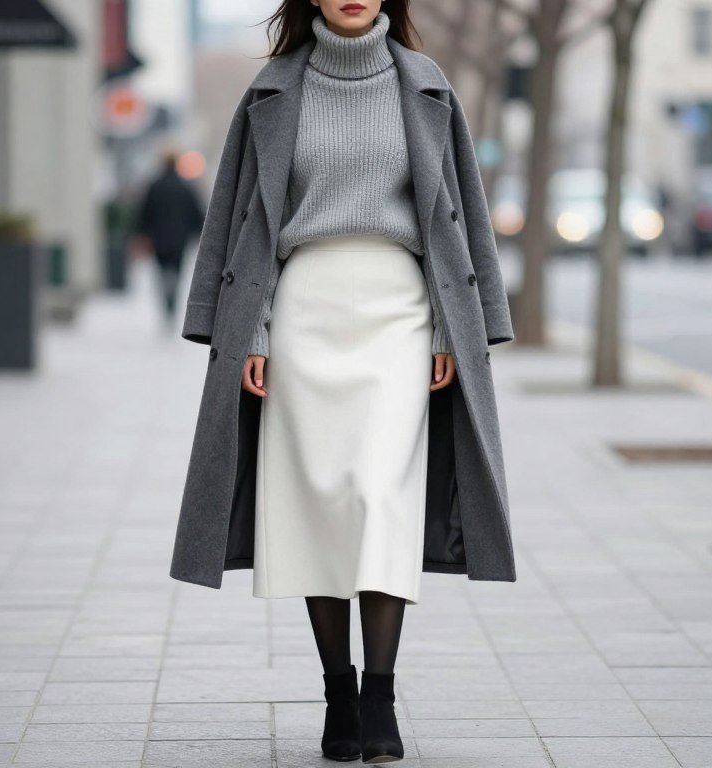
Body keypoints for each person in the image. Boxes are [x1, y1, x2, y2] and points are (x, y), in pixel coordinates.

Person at [169, 1, 518, 764]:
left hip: (399, 312)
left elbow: (462, 216)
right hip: (301, 312)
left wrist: (449, 324)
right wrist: (249, 328)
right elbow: (236, 219)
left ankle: (381, 693)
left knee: (378, 494)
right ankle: (337, 692)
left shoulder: (427, 87)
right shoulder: (272, 90)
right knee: (318, 501)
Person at [136, 147, 205, 329]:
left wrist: (143, 235)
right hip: (180, 239)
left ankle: (166, 304)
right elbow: (197, 213)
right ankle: (172, 303)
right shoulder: (185, 186)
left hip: (158, 239)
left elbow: (144, 213)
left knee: (161, 273)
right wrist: (198, 234)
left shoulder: (154, 186)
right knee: (177, 272)